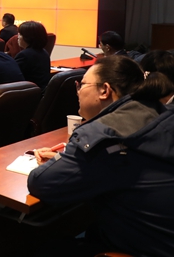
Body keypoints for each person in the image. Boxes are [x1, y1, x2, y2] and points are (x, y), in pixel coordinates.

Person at [28, 56, 174, 257]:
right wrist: (74, 156)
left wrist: (64, 159)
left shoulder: (105, 134)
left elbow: (41, 182)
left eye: (82, 85)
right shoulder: (157, 112)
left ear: (104, 90)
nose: (78, 92)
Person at [15, 21, 51, 90]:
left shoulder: (24, 55)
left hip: (29, 93)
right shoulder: (44, 52)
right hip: (40, 91)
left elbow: (13, 76)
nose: (18, 37)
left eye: (20, 34)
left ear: (28, 38)